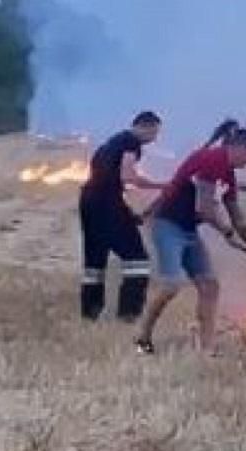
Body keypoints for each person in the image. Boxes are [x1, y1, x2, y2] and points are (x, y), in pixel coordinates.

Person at [133, 128, 246, 354]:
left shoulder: (228, 174)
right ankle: (142, 336)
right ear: (239, 148)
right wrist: (227, 232)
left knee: (209, 286)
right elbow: (204, 208)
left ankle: (207, 348)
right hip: (167, 224)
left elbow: (236, 215)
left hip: (189, 230)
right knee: (172, 285)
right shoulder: (212, 160)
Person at [78, 111, 167, 321]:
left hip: (89, 201)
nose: (154, 138)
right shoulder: (131, 143)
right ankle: (128, 315)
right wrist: (161, 184)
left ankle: (90, 313)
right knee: (137, 260)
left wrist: (127, 212)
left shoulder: (111, 143)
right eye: (154, 133)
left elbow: (105, 177)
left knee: (94, 262)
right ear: (145, 127)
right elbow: (127, 176)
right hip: (106, 204)